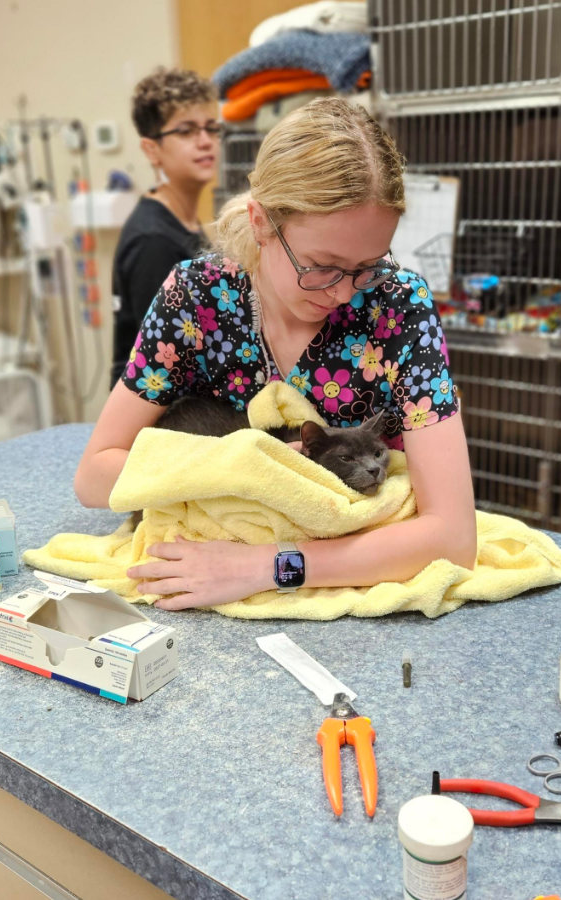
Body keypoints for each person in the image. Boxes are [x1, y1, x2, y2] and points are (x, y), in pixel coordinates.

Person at [76, 97, 477, 610]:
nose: (346, 292)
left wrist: (270, 567)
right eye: (322, 265)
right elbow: (93, 477)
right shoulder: (195, 298)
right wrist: (245, 466)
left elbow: (453, 538)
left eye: (368, 266)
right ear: (261, 222)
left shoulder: (398, 305)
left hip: (349, 568)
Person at [109, 67, 221, 388]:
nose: (205, 142)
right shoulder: (153, 241)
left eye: (211, 129)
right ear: (151, 149)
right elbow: (165, 360)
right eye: (186, 131)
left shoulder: (182, 220)